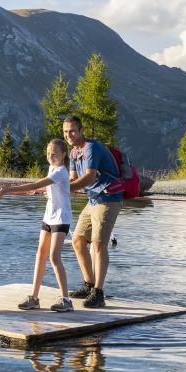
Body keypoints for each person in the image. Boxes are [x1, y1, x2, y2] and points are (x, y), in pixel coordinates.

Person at [0, 138, 74, 312]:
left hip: (61, 218)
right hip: (48, 217)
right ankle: (34, 298)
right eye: (48, 153)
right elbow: (44, 186)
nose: (50, 156)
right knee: (40, 255)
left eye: (54, 154)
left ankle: (66, 300)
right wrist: (37, 190)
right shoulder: (52, 168)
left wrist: (9, 189)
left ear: (63, 155)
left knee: (54, 257)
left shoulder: (60, 171)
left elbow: (39, 183)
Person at [63, 115, 123, 308]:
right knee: (78, 240)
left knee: (98, 245)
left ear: (81, 131)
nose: (69, 135)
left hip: (109, 199)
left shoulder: (92, 148)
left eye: (72, 131)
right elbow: (73, 180)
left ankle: (99, 293)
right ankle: (89, 285)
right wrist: (52, 188)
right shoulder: (73, 153)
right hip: (93, 200)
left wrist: (63, 188)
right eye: (65, 132)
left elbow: (88, 178)